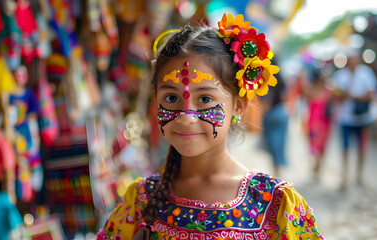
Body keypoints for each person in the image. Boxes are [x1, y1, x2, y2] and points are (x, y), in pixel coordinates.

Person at [96, 13, 323, 240]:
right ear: (156, 101)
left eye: (205, 99)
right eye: (171, 98)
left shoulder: (275, 204)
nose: (186, 117)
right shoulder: (138, 201)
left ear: (239, 106)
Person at [333, 51, 377, 187]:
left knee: (361, 147)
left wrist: (355, 97)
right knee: (345, 147)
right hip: (345, 118)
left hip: (362, 118)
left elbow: (372, 93)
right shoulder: (340, 75)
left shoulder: (366, 73)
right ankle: (345, 174)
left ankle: (359, 174)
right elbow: (336, 94)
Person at [301, 65, 333, 180]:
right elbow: (303, 91)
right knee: (313, 143)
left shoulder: (329, 90)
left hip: (324, 122)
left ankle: (319, 165)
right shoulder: (312, 89)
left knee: (322, 145)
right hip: (313, 121)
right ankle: (316, 163)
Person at [261, 67, 289, 178]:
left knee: (273, 146)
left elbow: (267, 102)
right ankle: (279, 172)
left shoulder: (266, 81)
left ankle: (277, 174)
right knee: (280, 144)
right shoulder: (281, 81)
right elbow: (285, 97)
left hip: (271, 115)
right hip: (282, 112)